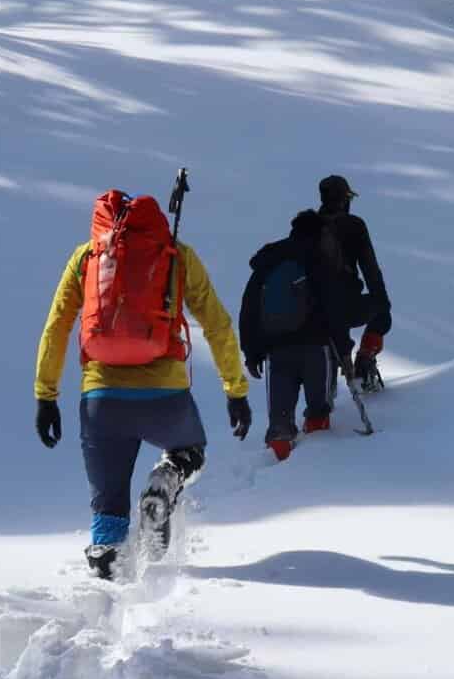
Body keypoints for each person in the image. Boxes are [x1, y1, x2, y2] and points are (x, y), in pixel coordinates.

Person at [34, 188, 251, 579]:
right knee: (189, 452)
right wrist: (235, 390)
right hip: (164, 396)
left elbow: (57, 327)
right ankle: (165, 481)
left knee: (107, 511)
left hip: (101, 399)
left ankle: (105, 577)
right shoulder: (175, 253)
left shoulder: (86, 257)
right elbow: (217, 324)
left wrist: (45, 396)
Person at [238, 209, 356, 460]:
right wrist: (344, 352)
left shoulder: (269, 261)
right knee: (318, 412)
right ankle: (313, 466)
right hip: (316, 348)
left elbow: (249, 308)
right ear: (318, 232)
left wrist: (251, 352)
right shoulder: (319, 260)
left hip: (277, 350)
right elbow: (335, 310)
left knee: (280, 421)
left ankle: (277, 460)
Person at [316, 174, 393, 390]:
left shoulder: (308, 225)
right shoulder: (354, 225)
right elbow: (370, 269)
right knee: (381, 313)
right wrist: (383, 303)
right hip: (347, 306)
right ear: (344, 200)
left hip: (313, 309)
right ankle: (364, 363)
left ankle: (323, 401)